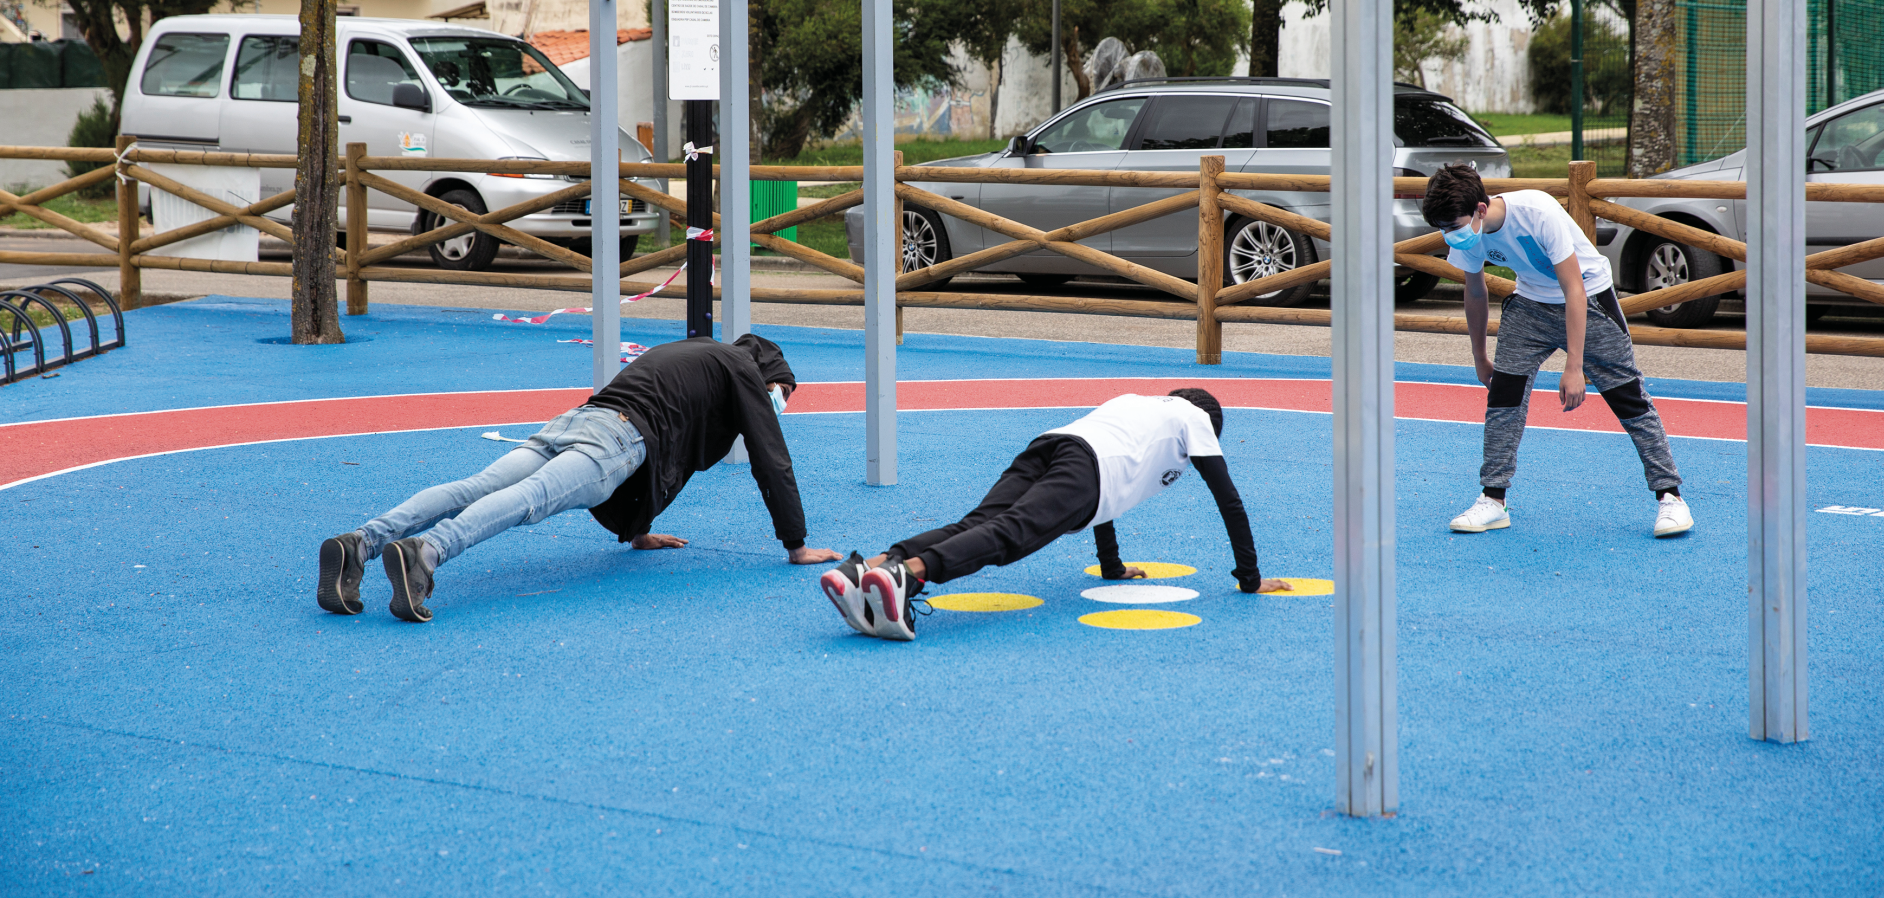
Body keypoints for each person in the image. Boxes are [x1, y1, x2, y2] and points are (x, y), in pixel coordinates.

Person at [316, 333, 842, 622]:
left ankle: (360, 542)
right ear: (769, 375)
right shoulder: (744, 370)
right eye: (783, 393)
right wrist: (795, 543)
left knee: (477, 485)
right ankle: (426, 553)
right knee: (531, 499)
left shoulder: (692, 352)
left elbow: (672, 441)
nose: (779, 404)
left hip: (576, 419)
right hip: (617, 440)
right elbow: (769, 455)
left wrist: (637, 530)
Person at [819, 388, 1292, 641]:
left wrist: (1111, 566)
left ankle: (869, 568)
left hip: (1051, 444)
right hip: (1087, 469)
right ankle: (910, 575)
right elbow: (1228, 500)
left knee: (977, 523)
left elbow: (1114, 488)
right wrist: (1249, 578)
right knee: (1010, 535)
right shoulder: (1195, 420)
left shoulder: (1136, 403)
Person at [1420, 162, 1693, 538]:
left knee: (1629, 399)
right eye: (1443, 228)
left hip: (1588, 301)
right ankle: (1493, 500)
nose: (1449, 235)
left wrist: (1574, 366)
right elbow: (1476, 291)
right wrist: (1480, 356)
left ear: (1480, 210)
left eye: (1453, 226)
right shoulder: (1470, 233)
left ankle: (1671, 499)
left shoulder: (1537, 212)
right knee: (1503, 400)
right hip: (1529, 305)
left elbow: (1574, 289)